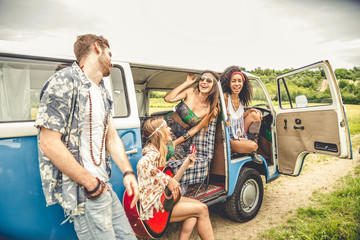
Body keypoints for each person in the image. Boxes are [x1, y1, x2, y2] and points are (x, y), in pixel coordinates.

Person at [35, 34, 139, 240]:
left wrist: (128, 172)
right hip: (86, 193)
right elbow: (48, 143)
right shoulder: (64, 80)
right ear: (97, 47)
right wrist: (90, 184)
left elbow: (112, 138)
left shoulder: (102, 92)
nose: (112, 59)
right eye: (110, 53)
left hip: (104, 186)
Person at [137, 117, 214, 240]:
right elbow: (142, 165)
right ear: (158, 133)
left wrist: (186, 165)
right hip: (155, 208)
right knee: (202, 209)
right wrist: (168, 180)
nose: (170, 129)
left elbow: (165, 180)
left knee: (195, 212)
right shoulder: (151, 152)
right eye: (166, 127)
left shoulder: (159, 150)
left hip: (161, 199)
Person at [164, 71, 220, 160]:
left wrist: (175, 143)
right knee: (161, 150)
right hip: (165, 128)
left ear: (214, 86)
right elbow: (168, 98)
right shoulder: (190, 92)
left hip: (181, 137)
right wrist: (186, 83)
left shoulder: (210, 109)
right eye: (202, 79)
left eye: (209, 81)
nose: (204, 82)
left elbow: (195, 130)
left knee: (172, 157)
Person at [220, 65, 263, 164]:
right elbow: (223, 117)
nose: (237, 84)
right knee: (254, 147)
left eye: (239, 81)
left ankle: (250, 144)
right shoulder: (225, 97)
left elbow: (237, 117)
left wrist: (249, 112)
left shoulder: (241, 99)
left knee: (255, 115)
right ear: (229, 83)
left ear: (243, 83)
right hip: (229, 137)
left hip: (239, 132)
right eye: (233, 81)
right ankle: (251, 149)